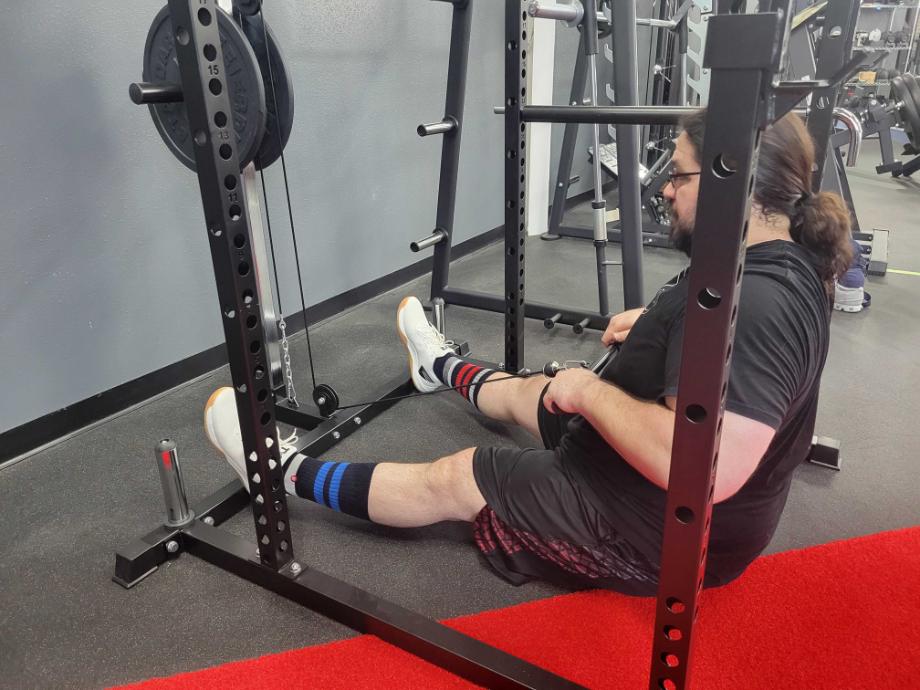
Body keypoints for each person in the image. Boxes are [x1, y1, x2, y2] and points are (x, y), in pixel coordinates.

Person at [204, 111, 852, 596]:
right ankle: (438, 367)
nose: (665, 190)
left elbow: (705, 470)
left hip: (664, 535)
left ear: (731, 181)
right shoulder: (771, 258)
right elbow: (718, 349)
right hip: (646, 485)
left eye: (678, 175)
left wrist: (594, 393)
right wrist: (659, 332)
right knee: (534, 390)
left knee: (459, 476)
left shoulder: (764, 303)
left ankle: (276, 473)